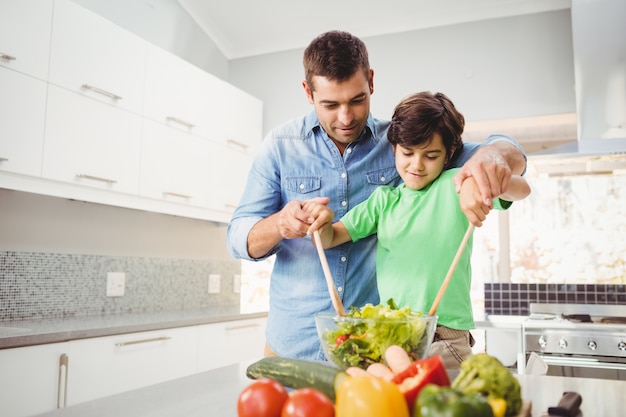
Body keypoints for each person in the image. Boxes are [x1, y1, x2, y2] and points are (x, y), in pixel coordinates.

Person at [227, 30, 527, 361]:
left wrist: (492, 158)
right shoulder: (280, 146)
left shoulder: (403, 141)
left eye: (357, 100)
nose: (346, 117)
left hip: (378, 347)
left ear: (371, 81)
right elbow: (238, 235)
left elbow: (502, 157)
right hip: (294, 343)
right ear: (308, 93)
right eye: (330, 104)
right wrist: (280, 224)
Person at [303, 91, 531, 368]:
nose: (416, 165)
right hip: (393, 338)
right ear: (394, 149)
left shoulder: (456, 185)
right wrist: (321, 222)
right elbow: (330, 237)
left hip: (445, 337)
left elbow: (523, 189)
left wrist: (483, 180)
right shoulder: (383, 201)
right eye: (407, 153)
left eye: (431, 155)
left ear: (448, 156)